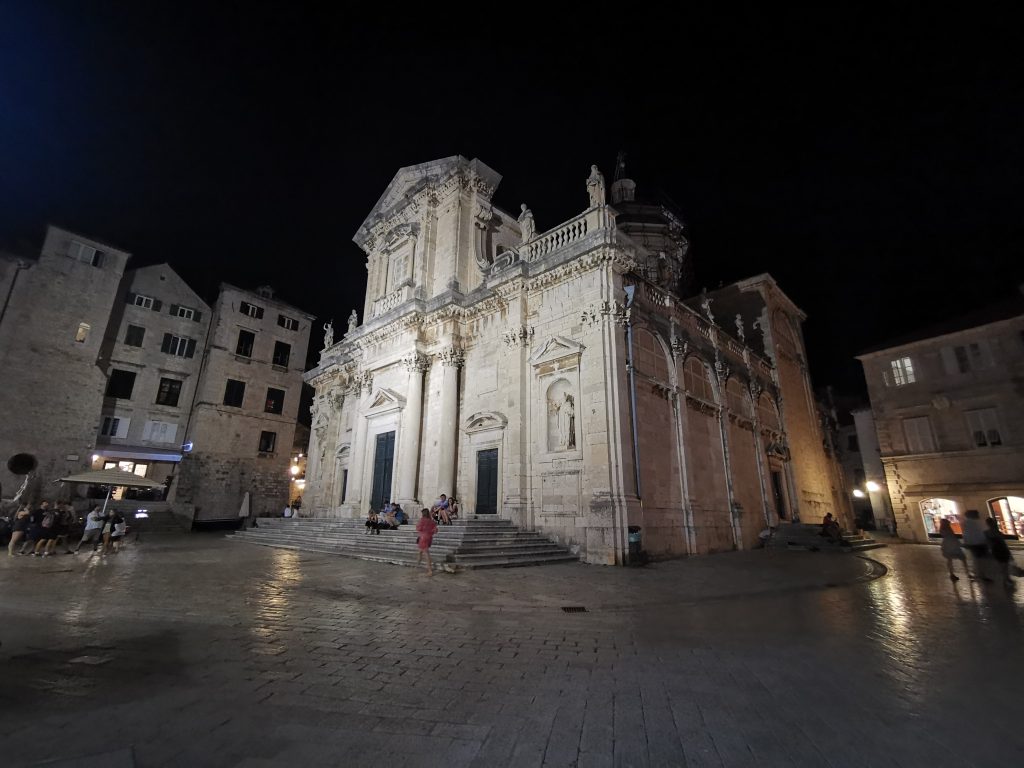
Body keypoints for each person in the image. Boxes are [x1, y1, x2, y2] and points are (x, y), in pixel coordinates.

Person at [961, 509, 992, 582]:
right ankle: (983, 575)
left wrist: (966, 542)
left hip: (972, 544)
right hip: (981, 542)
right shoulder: (980, 521)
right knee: (982, 559)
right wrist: (989, 542)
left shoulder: (965, 523)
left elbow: (965, 534)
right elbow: (986, 532)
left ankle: (978, 574)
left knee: (976, 559)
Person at [985, 517, 1015, 590]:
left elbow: (988, 544)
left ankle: (1005, 580)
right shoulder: (998, 532)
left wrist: (990, 552)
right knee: (1005, 566)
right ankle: (1006, 580)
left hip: (996, 551)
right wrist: (1009, 552)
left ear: (987, 524)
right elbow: (1003, 542)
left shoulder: (986, 533)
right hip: (1002, 550)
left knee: (1001, 566)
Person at [415, 508, 438, 576]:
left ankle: (430, 570)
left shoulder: (422, 520)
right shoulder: (432, 521)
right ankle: (416, 566)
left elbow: (418, 528)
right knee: (420, 552)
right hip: (429, 537)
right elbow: (436, 530)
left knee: (426, 554)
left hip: (423, 538)